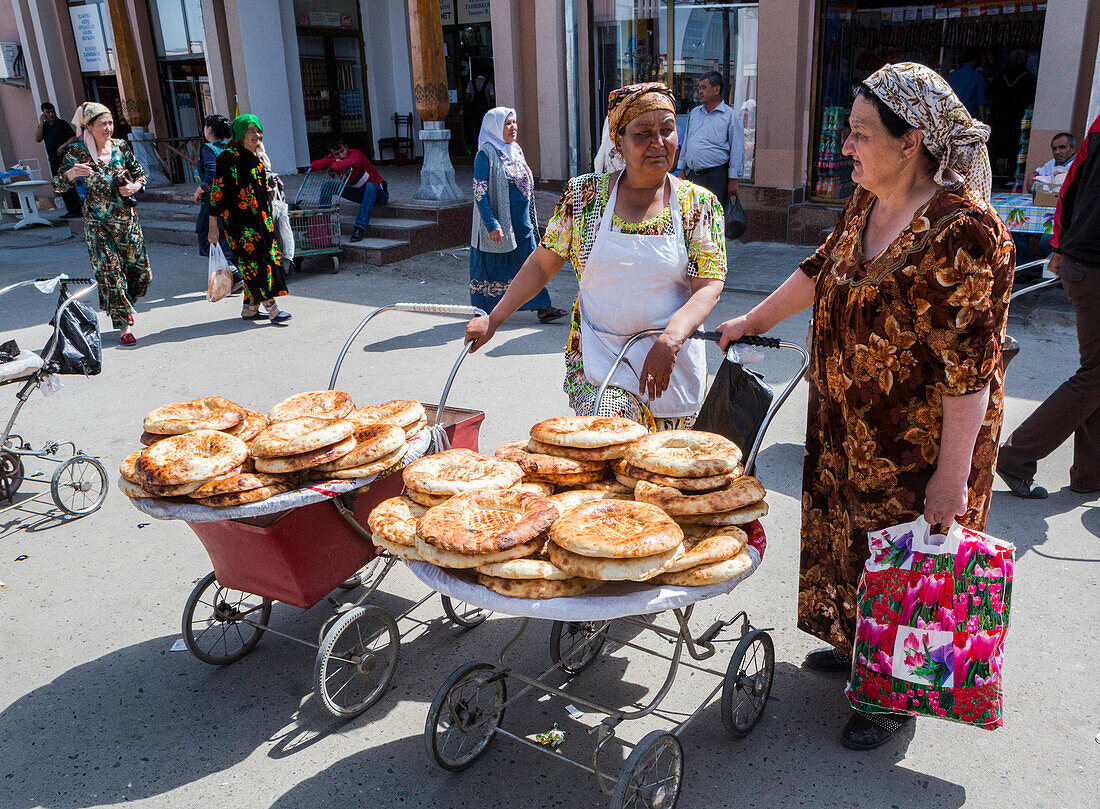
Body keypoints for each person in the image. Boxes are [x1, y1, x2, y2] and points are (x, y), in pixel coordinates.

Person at [715, 63, 1014, 749]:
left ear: (912, 142)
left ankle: (892, 694)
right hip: (849, 429)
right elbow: (818, 271)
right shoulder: (867, 199)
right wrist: (747, 320)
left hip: (919, 446)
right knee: (853, 545)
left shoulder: (963, 231)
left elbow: (970, 374)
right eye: (848, 132)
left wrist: (950, 478)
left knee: (910, 558)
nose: (845, 147)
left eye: (861, 134)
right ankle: (859, 645)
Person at [466, 83, 726, 431]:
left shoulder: (699, 205)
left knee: (661, 473)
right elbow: (542, 264)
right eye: (643, 133)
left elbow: (708, 285)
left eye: (667, 130)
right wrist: (493, 319)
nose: (658, 142)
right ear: (618, 141)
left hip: (670, 361)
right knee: (610, 443)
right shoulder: (584, 197)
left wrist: (672, 338)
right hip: (601, 358)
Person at [997, 112, 1100, 499]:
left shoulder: (1095, 127)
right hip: (1091, 264)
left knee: (1096, 373)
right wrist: (1058, 244)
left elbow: (1071, 187)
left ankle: (1090, 474)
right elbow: (1071, 186)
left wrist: (1059, 245)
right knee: (1095, 375)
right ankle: (1016, 455)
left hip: (1081, 260)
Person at [52, 102, 150, 346]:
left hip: (127, 222)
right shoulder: (77, 153)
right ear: (89, 127)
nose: (108, 128)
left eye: (110, 123)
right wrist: (73, 173)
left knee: (141, 274)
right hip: (98, 225)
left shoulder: (121, 146)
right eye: (103, 124)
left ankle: (125, 303)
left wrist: (134, 187)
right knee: (112, 274)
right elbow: (57, 185)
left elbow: (140, 174)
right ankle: (123, 325)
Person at [469, 107, 564, 324]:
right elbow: (480, 193)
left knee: (531, 263)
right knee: (493, 265)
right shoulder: (486, 154)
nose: (513, 127)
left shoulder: (515, 150)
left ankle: (543, 306)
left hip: (522, 223)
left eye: (514, 122)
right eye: (507, 124)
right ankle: (484, 311)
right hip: (499, 224)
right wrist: (492, 223)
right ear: (494, 128)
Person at [209, 114, 290, 322]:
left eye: (258, 130)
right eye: (252, 131)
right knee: (257, 263)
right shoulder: (228, 158)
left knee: (264, 260)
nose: (257, 135)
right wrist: (213, 227)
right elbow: (217, 193)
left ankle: (250, 309)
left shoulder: (257, 157)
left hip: (261, 221)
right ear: (240, 134)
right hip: (240, 223)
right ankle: (273, 308)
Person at [676, 71, 744, 216]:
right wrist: (681, 169)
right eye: (699, 88)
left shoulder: (729, 116)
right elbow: (687, 143)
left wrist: (733, 179)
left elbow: (737, 150)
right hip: (693, 175)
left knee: (713, 218)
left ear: (716, 89)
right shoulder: (694, 113)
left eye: (704, 87)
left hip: (716, 176)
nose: (700, 92)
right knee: (692, 216)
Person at [192, 114, 242, 292]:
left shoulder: (209, 149)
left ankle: (234, 272)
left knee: (207, 240)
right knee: (226, 239)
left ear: (209, 129)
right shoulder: (231, 147)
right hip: (234, 201)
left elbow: (213, 176)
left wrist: (199, 190)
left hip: (215, 202)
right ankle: (235, 275)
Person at [1015, 132, 1077, 264]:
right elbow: (1031, 184)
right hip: (1043, 213)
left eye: (1062, 147)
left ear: (1072, 149)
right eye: (1054, 148)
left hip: (1065, 217)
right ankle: (1028, 266)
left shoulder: (1078, 165)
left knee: (1047, 241)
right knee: (1014, 229)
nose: (1057, 152)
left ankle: (1056, 272)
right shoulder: (1051, 164)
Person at [309, 138, 387, 243]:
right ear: (332, 154)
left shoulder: (356, 154)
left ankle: (359, 228)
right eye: (337, 154)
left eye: (342, 151)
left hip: (379, 194)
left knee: (370, 186)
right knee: (327, 185)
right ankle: (321, 225)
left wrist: (333, 164)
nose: (341, 155)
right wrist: (332, 160)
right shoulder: (334, 158)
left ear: (346, 147)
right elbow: (314, 166)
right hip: (360, 194)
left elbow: (341, 165)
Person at [987, 49, 1036, 176]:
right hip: (1016, 120)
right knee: (1014, 150)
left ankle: (991, 176)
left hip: (999, 119)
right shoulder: (1029, 78)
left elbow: (989, 95)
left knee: (995, 150)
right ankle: (1010, 177)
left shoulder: (999, 77)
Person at [35, 102, 81, 218]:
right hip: (53, 159)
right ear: (44, 113)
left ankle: (76, 209)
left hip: (65, 158)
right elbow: (38, 139)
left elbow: (74, 137)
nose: (51, 114)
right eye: (48, 112)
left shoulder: (61, 124)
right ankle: (70, 209)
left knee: (68, 182)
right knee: (60, 184)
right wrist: (41, 122)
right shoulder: (44, 126)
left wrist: (63, 146)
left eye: (52, 112)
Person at [947, 47, 988, 121]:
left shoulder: (951, 75)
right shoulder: (977, 77)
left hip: (952, 116)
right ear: (975, 60)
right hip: (969, 117)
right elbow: (981, 102)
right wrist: (983, 122)